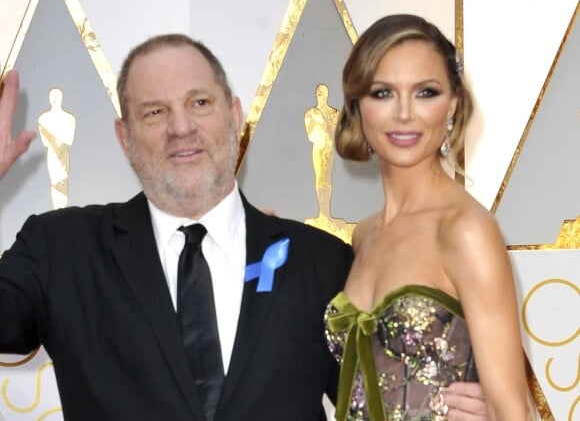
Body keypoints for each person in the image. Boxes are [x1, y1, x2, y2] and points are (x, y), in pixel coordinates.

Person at [0, 36, 490, 420]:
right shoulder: (60, 249)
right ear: (124, 136)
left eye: (199, 103)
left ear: (235, 116)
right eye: (154, 112)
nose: (181, 128)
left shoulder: (323, 262)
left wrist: (466, 412)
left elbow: (386, 400)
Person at [326, 14, 530, 419]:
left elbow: (512, 408)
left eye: (425, 92)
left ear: (452, 103)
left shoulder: (465, 231)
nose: (404, 114)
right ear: (357, 106)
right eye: (383, 93)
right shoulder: (365, 236)